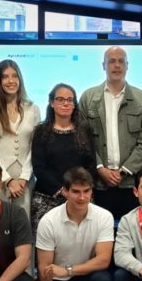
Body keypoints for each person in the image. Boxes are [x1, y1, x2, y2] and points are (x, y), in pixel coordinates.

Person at [36, 167, 115, 281]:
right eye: (76, 192)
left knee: (103, 279)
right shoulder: (48, 221)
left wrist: (68, 270)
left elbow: (103, 260)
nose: (82, 197)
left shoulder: (104, 216)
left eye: (86, 191)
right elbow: (43, 269)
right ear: (64, 191)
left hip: (87, 278)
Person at [78, 46, 142, 221]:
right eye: (112, 61)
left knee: (133, 235)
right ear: (103, 65)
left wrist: (124, 171)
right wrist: (100, 168)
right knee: (100, 237)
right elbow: (82, 140)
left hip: (132, 183)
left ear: (127, 65)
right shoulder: (88, 98)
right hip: (98, 184)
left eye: (121, 61)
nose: (117, 65)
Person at [31, 84, 97, 234]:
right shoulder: (41, 132)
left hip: (80, 196)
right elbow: (38, 167)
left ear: (74, 104)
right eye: (60, 99)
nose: (66, 103)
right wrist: (62, 190)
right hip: (47, 199)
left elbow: (91, 164)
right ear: (52, 103)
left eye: (70, 100)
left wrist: (76, 191)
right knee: (47, 249)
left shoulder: (85, 130)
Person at [0, 59, 40, 218]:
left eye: (15, 76)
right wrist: (7, 180)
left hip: (25, 178)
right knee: (0, 223)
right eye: (5, 77)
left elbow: (36, 146)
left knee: (24, 222)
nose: (11, 81)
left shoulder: (32, 109)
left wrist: (23, 178)